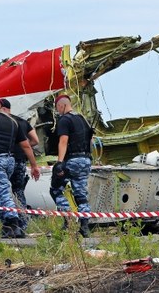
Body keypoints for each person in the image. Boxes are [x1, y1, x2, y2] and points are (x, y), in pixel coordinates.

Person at [0, 96, 41, 238]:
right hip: (10, 160)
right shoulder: (14, 122)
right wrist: (34, 165)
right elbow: (27, 145)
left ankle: (14, 225)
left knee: (3, 193)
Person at [49, 94, 94, 237]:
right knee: (81, 194)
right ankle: (85, 226)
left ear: (61, 105)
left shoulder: (64, 120)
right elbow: (91, 140)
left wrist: (60, 163)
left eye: (58, 108)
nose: (58, 111)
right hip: (85, 160)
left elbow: (63, 141)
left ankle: (68, 221)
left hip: (72, 161)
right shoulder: (83, 119)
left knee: (56, 189)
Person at [0, 98, 40, 232]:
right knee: (19, 192)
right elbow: (35, 140)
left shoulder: (2, 121)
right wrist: (23, 148)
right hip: (21, 161)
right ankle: (23, 223)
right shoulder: (23, 122)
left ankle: (8, 224)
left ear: (3, 108)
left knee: (3, 192)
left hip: (6, 160)